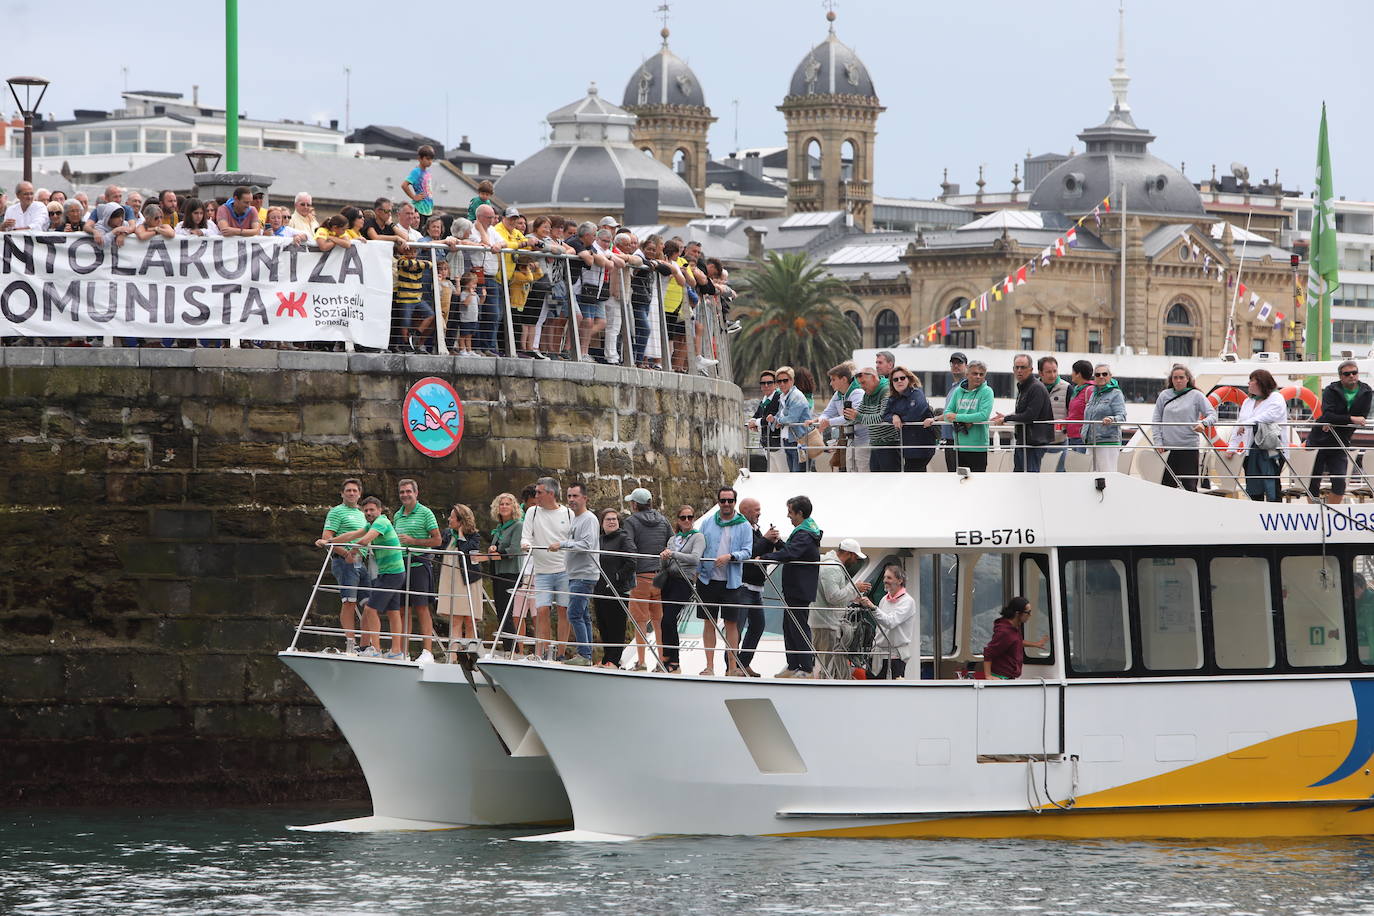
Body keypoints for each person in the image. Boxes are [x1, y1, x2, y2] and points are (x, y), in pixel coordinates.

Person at [317, 497, 408, 659]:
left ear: (379, 510)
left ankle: (376, 650)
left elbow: (365, 540)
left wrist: (351, 553)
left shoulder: (381, 522)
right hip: (392, 573)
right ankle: (396, 652)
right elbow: (352, 534)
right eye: (366, 510)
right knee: (393, 611)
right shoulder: (371, 524)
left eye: (372, 510)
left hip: (392, 574)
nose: (368, 513)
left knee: (370, 609)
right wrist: (329, 541)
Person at [761, 495, 823, 678]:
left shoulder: (805, 534)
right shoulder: (806, 532)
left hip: (799, 589)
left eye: (790, 512)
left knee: (798, 625)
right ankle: (793, 664)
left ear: (800, 513)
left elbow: (791, 553)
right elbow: (792, 550)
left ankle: (806, 668)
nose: (788, 516)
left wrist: (764, 558)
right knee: (789, 626)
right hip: (795, 588)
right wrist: (778, 543)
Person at [696, 487, 754, 676]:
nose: (726, 504)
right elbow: (700, 548)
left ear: (735, 502)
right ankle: (709, 666)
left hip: (732, 581)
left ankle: (732, 667)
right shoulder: (707, 523)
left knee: (732, 624)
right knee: (709, 623)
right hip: (707, 579)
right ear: (718, 502)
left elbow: (747, 552)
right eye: (723, 501)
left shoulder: (744, 525)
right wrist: (696, 572)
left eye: (730, 501)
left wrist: (730, 556)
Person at [520, 477, 575, 659]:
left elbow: (574, 541)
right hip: (542, 570)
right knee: (542, 610)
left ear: (551, 494)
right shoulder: (532, 512)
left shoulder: (568, 514)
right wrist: (526, 544)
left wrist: (561, 544)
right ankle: (544, 651)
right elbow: (526, 536)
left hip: (564, 570)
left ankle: (559, 652)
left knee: (563, 610)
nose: (535, 496)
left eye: (539, 493)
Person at [1306, 360, 1372, 504]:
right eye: (1347, 374)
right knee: (1313, 480)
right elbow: (1328, 415)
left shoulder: (1366, 392)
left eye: (1354, 373)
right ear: (1341, 376)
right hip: (1319, 440)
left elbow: (1362, 418)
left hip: (1340, 441)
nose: (1351, 376)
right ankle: (1313, 514)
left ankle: (1330, 513)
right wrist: (1350, 418)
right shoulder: (1331, 390)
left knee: (1339, 483)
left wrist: (1336, 422)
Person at [319, 479, 372, 655]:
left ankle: (365, 645)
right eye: (348, 490)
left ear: (359, 493)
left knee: (369, 603)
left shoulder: (362, 513)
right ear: (342, 494)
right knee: (349, 602)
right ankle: (351, 642)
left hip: (361, 562)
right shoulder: (336, 512)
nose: (351, 493)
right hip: (344, 562)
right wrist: (346, 554)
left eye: (354, 490)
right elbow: (327, 538)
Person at [393, 479, 441, 664]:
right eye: (402, 492)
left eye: (408, 491)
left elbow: (437, 540)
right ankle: (403, 651)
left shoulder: (425, 513)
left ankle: (427, 652)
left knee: (422, 608)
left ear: (416, 493)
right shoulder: (397, 515)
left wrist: (414, 541)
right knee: (403, 609)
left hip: (420, 565)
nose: (405, 495)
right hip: (400, 565)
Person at [624, 487, 672, 672]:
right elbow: (671, 542)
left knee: (640, 621)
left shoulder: (631, 522)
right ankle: (662, 661)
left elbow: (629, 547)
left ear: (635, 504)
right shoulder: (663, 520)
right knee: (659, 621)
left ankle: (641, 661)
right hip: (660, 576)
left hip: (641, 576)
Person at [552, 482, 600, 666]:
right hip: (575, 574)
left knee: (574, 614)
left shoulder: (588, 519)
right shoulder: (576, 519)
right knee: (583, 615)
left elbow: (587, 545)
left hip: (584, 574)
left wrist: (562, 544)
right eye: (569, 496)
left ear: (585, 498)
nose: (571, 500)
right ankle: (586, 654)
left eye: (575, 496)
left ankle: (584, 655)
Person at [810, 538, 871, 679]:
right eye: (855, 556)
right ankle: (825, 687)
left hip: (825, 621)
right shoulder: (832, 567)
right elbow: (833, 597)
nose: (855, 561)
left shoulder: (831, 565)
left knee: (827, 663)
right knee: (826, 664)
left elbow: (834, 596)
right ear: (849, 554)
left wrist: (853, 596)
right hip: (826, 623)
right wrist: (855, 588)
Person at [1152, 364, 1217, 491]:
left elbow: (1212, 415)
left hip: (1189, 447)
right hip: (1167, 448)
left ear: (1188, 379)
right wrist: (1157, 442)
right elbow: (1156, 420)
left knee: (1190, 486)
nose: (1178, 380)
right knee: (1167, 486)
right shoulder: (1164, 395)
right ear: (1171, 380)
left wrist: (1203, 423)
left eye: (1181, 377)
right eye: (1175, 378)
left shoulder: (1196, 395)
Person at [656, 505, 705, 674]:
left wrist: (673, 555)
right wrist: (664, 558)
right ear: (678, 520)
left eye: (690, 517)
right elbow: (665, 565)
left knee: (668, 619)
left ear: (693, 518)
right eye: (683, 517)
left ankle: (673, 659)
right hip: (668, 581)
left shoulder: (697, 537)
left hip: (684, 582)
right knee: (666, 621)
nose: (686, 520)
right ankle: (668, 658)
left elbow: (695, 559)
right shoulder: (673, 539)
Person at [1227, 368, 1287, 502]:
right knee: (1253, 487)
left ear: (1261, 382)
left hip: (1272, 451)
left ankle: (1274, 513)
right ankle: (1255, 514)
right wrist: (1232, 447)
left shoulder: (1276, 398)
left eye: (1251, 380)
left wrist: (1246, 424)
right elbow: (1240, 423)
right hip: (1251, 451)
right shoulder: (1248, 402)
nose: (1248, 383)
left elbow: (1268, 416)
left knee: (1272, 486)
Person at [475, 492, 524, 655]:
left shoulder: (518, 525)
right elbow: (497, 549)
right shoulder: (498, 528)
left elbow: (514, 550)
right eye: (501, 504)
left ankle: (512, 651)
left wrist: (496, 552)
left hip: (510, 573)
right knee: (501, 613)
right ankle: (509, 649)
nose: (504, 506)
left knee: (506, 614)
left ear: (514, 507)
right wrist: (492, 550)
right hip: (497, 573)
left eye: (507, 504)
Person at [928, 359, 993, 472]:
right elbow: (948, 413)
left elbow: (983, 415)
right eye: (974, 373)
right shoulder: (958, 391)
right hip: (959, 446)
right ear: (967, 374)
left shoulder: (987, 391)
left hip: (978, 447)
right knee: (960, 482)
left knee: (977, 483)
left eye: (981, 374)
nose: (978, 376)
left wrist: (957, 417)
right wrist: (965, 419)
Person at [437, 503, 485, 652]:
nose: (449, 520)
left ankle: (470, 656)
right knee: (456, 620)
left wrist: (461, 535)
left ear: (461, 521)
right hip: (451, 581)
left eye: (452, 517)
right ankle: (453, 657)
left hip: (468, 581)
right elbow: (437, 548)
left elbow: (467, 551)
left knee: (470, 620)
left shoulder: (474, 536)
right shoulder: (446, 534)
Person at [993, 353, 1053, 473]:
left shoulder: (1036, 387)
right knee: (1020, 478)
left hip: (1033, 444)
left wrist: (1006, 419)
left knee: (1029, 478)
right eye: (1017, 367)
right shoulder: (1025, 387)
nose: (1019, 370)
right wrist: (1007, 417)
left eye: (1023, 367)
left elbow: (1030, 415)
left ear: (1031, 369)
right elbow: (1024, 413)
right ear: (1013, 369)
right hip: (1024, 441)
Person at [594, 507, 638, 669]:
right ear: (602, 523)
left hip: (617, 589)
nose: (611, 522)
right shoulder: (599, 540)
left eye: (614, 519)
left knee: (616, 626)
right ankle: (607, 659)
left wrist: (617, 577)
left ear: (619, 522)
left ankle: (614, 660)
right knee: (603, 625)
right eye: (608, 519)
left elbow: (632, 561)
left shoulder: (623, 538)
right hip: (600, 589)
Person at [857, 563, 916, 680]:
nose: (885, 580)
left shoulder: (907, 601)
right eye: (884, 577)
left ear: (900, 581)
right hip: (877, 654)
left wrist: (873, 607)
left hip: (894, 656)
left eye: (889, 578)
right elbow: (881, 624)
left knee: (892, 694)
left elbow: (890, 622)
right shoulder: (885, 599)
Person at [735, 497, 771, 678]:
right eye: (757, 510)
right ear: (746, 511)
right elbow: (750, 550)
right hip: (743, 585)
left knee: (758, 625)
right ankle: (733, 666)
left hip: (756, 587)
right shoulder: (741, 529)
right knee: (737, 628)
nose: (760, 513)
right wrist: (765, 540)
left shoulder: (756, 529)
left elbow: (760, 549)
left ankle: (743, 663)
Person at [811, 362, 863, 472]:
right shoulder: (838, 394)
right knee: (849, 470)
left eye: (833, 379)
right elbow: (827, 412)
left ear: (844, 379)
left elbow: (850, 417)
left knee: (863, 471)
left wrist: (828, 422)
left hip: (863, 440)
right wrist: (820, 420)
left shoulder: (857, 392)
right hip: (850, 439)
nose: (830, 383)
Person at [883, 366, 935, 472]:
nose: (899, 381)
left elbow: (913, 416)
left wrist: (898, 417)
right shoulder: (893, 398)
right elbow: (885, 415)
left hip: (922, 446)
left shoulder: (917, 394)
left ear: (909, 379)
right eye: (895, 379)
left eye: (902, 378)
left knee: (912, 476)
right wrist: (894, 416)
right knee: (915, 478)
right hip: (907, 447)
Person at [981, 596, 1048, 680]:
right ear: (1017, 613)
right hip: (1001, 678)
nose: (1030, 615)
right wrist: (988, 675)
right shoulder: (1004, 632)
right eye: (1028, 612)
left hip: (1009, 677)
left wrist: (1036, 644)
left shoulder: (1015, 627)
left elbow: (1015, 641)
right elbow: (989, 652)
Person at [849, 367, 898, 472]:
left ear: (874, 378)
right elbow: (859, 414)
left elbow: (883, 417)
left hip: (889, 445)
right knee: (877, 481)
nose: (862, 387)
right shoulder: (867, 394)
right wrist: (850, 416)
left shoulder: (886, 390)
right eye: (860, 384)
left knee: (890, 481)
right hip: (875, 444)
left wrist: (857, 416)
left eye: (863, 383)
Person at [1083, 363, 1128, 474]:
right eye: (1098, 374)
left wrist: (1111, 419)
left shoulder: (1116, 393)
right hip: (1091, 441)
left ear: (1110, 376)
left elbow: (1122, 416)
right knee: (1090, 476)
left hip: (1107, 442)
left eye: (1104, 374)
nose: (1101, 376)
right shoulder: (1093, 394)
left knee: (1108, 475)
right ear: (1094, 377)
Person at [771, 366, 813, 472]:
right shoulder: (783, 396)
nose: (782, 384)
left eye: (785, 380)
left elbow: (791, 419)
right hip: (788, 440)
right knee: (793, 475)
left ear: (792, 380)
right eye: (779, 381)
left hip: (800, 441)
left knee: (798, 477)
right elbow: (780, 415)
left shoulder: (797, 396)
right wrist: (774, 419)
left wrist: (777, 421)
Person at [1060, 359, 1094, 469]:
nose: (1072, 374)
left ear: (1078, 374)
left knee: (1081, 467)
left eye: (1073, 372)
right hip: (1073, 435)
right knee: (1074, 467)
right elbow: (1074, 412)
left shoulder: (1089, 390)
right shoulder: (1077, 390)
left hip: (1082, 437)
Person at [748, 370, 784, 472]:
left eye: (769, 383)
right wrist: (752, 421)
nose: (766, 385)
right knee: (772, 473)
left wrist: (756, 423)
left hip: (779, 444)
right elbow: (757, 414)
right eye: (763, 383)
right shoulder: (764, 399)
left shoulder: (778, 397)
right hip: (767, 444)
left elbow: (771, 416)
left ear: (775, 384)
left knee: (784, 473)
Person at [940, 352, 969, 470]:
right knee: (953, 475)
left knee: (957, 475)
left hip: (959, 439)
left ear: (966, 366)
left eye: (959, 363)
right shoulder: (954, 387)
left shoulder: (964, 387)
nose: (956, 365)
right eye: (953, 363)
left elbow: (957, 412)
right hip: (951, 439)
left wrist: (936, 418)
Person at [402, 145, 435, 219]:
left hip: (428, 208)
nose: (430, 162)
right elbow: (404, 185)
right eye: (428, 159)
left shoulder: (427, 172)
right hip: (420, 208)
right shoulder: (416, 171)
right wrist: (414, 197)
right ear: (420, 158)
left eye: (431, 159)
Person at [1356, 573, 1374, 665]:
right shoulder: (1354, 601)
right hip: (1362, 645)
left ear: (1362, 586)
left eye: (1355, 588)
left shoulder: (1372, 599)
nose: (1353, 591)